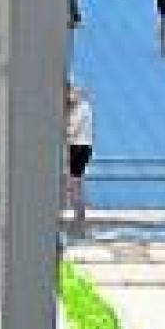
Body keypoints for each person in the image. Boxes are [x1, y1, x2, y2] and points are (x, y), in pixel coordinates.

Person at [65, 84, 94, 231]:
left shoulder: (82, 109)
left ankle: (79, 214)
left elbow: (72, 131)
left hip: (79, 147)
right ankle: (79, 211)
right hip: (81, 147)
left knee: (74, 182)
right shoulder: (83, 108)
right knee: (76, 181)